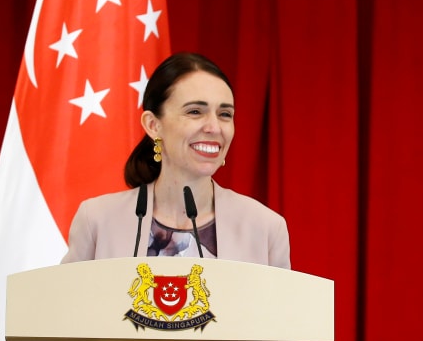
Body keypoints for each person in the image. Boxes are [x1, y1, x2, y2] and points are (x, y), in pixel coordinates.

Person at [62, 52, 290, 268]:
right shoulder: (97, 220)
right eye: (194, 112)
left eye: (225, 114)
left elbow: (283, 310)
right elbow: (66, 308)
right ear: (153, 125)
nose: (214, 127)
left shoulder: (266, 228)